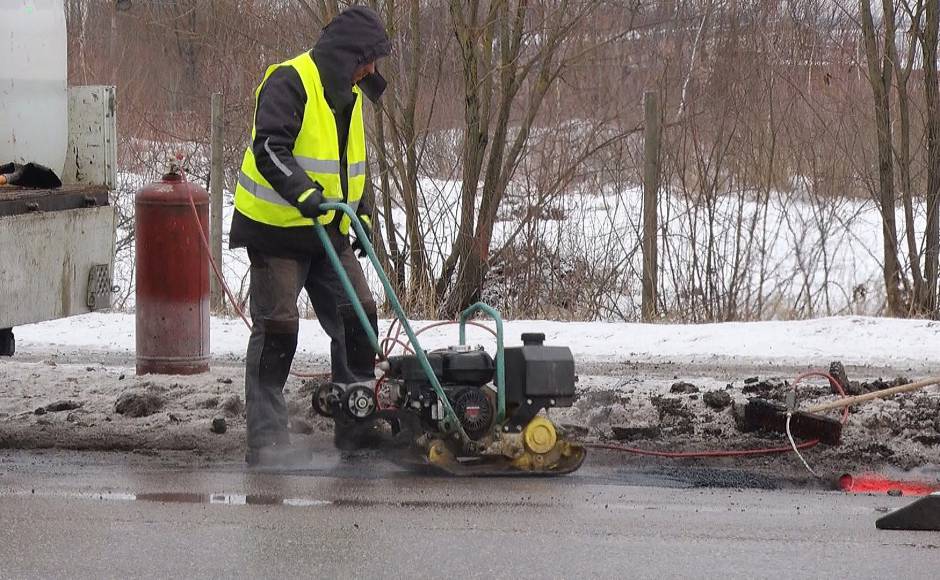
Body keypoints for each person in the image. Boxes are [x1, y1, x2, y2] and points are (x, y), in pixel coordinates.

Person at [229, 6, 391, 466]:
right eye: (369, 59)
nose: (372, 70)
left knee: (360, 319)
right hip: (278, 229)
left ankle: (356, 428)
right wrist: (306, 194)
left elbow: (351, 161)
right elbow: (270, 148)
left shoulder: (351, 94)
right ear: (348, 55)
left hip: (330, 232)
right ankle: (266, 441)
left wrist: (365, 212)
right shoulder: (291, 80)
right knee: (279, 330)